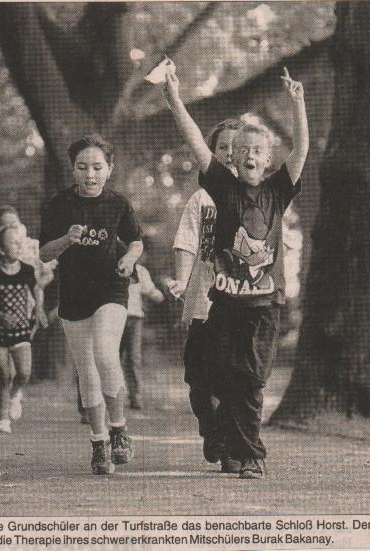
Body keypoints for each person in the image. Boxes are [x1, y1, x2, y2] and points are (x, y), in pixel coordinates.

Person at [163, 65, 308, 479]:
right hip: (225, 305)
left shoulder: (277, 191)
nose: (249, 155)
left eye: (257, 150)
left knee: (252, 380)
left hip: (265, 306)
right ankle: (245, 453)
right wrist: (174, 99)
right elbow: (196, 141)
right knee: (227, 380)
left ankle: (246, 451)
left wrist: (297, 104)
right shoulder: (221, 189)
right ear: (232, 158)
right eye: (241, 149)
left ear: (268, 159)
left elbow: (301, 150)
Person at [40, 134, 143, 475]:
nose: (90, 174)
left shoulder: (118, 203)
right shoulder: (59, 205)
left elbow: (136, 241)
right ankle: (99, 442)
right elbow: (44, 253)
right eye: (82, 167)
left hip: (111, 287)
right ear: (73, 169)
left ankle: (119, 429)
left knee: (104, 351)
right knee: (86, 370)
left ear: (109, 169)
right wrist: (65, 240)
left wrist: (128, 259)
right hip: (74, 294)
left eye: (98, 167)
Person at [170, 118, 243, 473]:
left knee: (231, 376)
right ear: (210, 154)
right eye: (222, 147)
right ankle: (211, 428)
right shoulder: (202, 200)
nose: (230, 154)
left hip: (241, 305)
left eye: (237, 147)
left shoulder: (258, 198)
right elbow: (186, 244)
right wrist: (182, 282)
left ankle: (230, 444)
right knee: (198, 380)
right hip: (203, 302)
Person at [0, 225, 48, 433]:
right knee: (3, 373)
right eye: (14, 243)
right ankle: (3, 418)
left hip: (21, 329)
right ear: (1, 250)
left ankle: (14, 394)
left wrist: (39, 310)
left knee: (24, 372)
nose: (19, 246)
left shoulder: (27, 270)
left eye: (20, 242)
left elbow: (36, 289)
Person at [121, 261, 165, 410]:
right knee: (113, 357)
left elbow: (150, 291)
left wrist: (162, 295)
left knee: (133, 358)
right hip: (116, 316)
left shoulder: (140, 270)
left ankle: (135, 396)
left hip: (134, 317)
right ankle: (111, 395)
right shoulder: (113, 267)